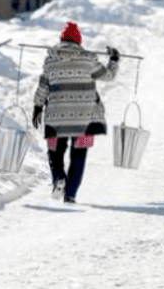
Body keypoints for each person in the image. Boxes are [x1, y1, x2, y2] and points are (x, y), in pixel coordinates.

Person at [31, 21, 119, 204]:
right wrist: (114, 60)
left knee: (54, 150)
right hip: (86, 120)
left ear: (61, 39)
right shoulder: (89, 59)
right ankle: (70, 195)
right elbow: (108, 76)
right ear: (78, 41)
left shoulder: (51, 60)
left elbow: (43, 87)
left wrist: (37, 107)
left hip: (56, 119)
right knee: (79, 154)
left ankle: (58, 178)